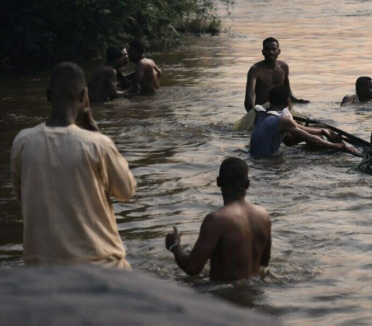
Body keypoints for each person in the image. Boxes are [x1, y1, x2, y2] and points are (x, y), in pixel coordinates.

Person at [11, 62, 137, 268]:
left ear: (48, 95)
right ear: (83, 96)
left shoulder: (22, 142)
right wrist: (95, 131)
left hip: (40, 270)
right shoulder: (97, 144)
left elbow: (23, 197)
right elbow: (126, 191)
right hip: (101, 268)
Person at [165, 158, 271, 281]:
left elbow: (192, 268)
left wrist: (174, 245)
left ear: (218, 182)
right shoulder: (264, 216)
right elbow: (264, 263)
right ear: (247, 184)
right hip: (254, 294)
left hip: (222, 297)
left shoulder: (216, 220)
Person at [250, 87, 347, 158]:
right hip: (266, 161)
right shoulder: (283, 120)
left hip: (253, 157)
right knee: (318, 144)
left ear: (269, 100)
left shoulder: (260, 115)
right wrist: (336, 146)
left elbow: (296, 130)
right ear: (288, 102)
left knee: (319, 138)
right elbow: (310, 138)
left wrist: (322, 130)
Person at [236, 37, 308, 130]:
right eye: (267, 49)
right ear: (263, 52)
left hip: (281, 108)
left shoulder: (284, 67)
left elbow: (286, 90)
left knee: (305, 119)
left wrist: (297, 101)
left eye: (274, 49)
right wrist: (255, 114)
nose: (271, 52)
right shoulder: (255, 70)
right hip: (263, 110)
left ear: (279, 51)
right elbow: (249, 96)